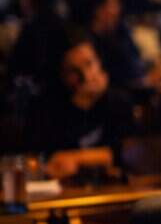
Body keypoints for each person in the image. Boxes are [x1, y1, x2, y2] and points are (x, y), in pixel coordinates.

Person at [30, 25, 135, 178]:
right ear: (61, 74)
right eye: (74, 71)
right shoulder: (45, 107)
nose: (86, 77)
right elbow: (47, 160)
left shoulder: (118, 100)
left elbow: (125, 155)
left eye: (89, 64)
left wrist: (74, 158)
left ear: (99, 61)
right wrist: (79, 106)